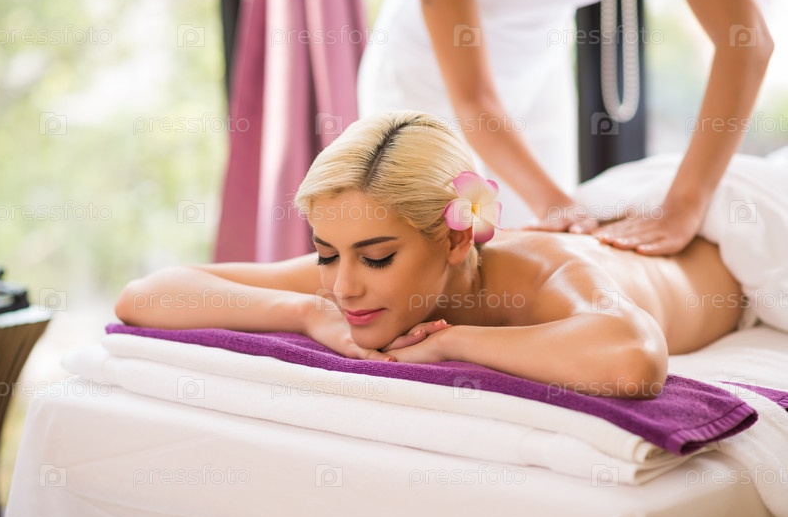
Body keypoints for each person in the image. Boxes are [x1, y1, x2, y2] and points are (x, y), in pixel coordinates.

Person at [114, 111, 754, 399]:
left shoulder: (548, 274)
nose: (343, 287)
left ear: (454, 239)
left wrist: (453, 342)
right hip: (613, 208)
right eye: (326, 254)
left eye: (376, 258)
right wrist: (305, 313)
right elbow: (146, 295)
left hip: (741, 235)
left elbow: (633, 361)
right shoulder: (347, 278)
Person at [358, 0, 774, 255]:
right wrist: (552, 201)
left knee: (540, 247)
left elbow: (747, 41)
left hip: (539, 63)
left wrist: (685, 203)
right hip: (430, 73)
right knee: (427, 256)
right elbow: (473, 100)